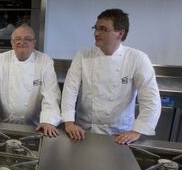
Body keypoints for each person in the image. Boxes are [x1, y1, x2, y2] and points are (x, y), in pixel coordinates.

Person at [61, 9, 161, 145]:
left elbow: (151, 100)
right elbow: (70, 90)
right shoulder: (83, 55)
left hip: (119, 135)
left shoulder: (137, 58)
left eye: (103, 29)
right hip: (83, 132)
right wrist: (69, 123)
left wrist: (136, 131)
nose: (96, 33)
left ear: (120, 33)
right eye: (95, 28)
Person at [0, 22, 62, 136]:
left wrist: (48, 120)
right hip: (3, 125)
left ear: (34, 43)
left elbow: (51, 94)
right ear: (12, 42)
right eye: (17, 39)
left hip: (35, 127)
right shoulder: (1, 59)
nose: (22, 42)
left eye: (27, 39)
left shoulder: (45, 61)